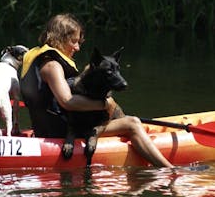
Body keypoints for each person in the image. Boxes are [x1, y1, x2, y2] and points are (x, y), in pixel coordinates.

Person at [20, 13, 173, 168]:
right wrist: (105, 104)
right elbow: (68, 102)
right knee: (132, 123)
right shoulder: (53, 66)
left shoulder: (37, 60)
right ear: (59, 37)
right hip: (62, 132)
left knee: (120, 120)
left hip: (45, 129)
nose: (77, 47)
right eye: (74, 41)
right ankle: (169, 169)